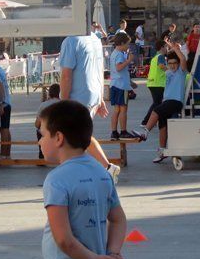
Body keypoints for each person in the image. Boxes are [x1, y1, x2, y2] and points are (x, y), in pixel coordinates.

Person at [39, 100, 127, 259]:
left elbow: (64, 240)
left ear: (59, 138)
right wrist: (112, 253)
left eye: (42, 134)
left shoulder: (57, 180)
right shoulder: (101, 173)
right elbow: (118, 219)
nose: (39, 142)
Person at [59, 32, 121, 183]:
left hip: (77, 95)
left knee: (76, 138)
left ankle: (104, 168)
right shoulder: (95, 39)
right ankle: (98, 169)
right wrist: (100, 97)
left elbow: (66, 75)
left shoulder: (71, 40)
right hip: (92, 94)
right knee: (80, 137)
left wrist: (63, 102)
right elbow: (100, 70)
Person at [132, 39, 187, 163]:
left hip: (175, 102)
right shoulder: (168, 73)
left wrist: (176, 48)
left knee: (156, 111)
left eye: (175, 63)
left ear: (178, 64)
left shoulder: (181, 72)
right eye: (170, 63)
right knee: (162, 126)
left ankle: (145, 132)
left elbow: (183, 59)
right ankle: (162, 151)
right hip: (167, 101)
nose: (172, 65)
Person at [107, 32, 134, 141]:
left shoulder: (114, 53)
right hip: (121, 86)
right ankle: (123, 131)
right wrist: (129, 60)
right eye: (127, 44)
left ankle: (114, 132)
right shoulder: (119, 54)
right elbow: (119, 68)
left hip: (115, 84)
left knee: (116, 110)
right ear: (122, 43)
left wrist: (131, 82)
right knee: (123, 109)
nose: (128, 46)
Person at [142, 40, 167, 125]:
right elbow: (161, 66)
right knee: (157, 104)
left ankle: (152, 120)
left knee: (157, 103)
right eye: (166, 47)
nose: (167, 49)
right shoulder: (161, 56)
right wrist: (171, 71)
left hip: (152, 83)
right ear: (162, 47)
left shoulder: (155, 57)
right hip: (158, 83)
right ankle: (146, 122)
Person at [35, 83, 61, 159]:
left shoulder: (43, 105)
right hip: (59, 133)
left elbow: (37, 124)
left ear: (49, 93)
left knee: (39, 130)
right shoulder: (64, 104)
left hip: (45, 134)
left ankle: (41, 156)